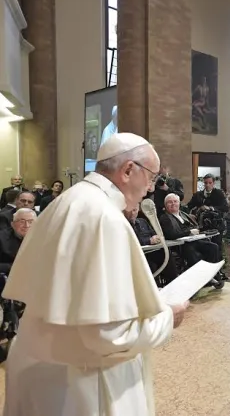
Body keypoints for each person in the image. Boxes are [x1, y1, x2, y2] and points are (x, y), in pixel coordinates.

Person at [2, 132, 189, 416]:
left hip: (39, 363)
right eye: (150, 176)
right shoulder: (103, 217)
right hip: (78, 385)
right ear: (128, 170)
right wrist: (166, 318)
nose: (151, 188)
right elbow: (107, 335)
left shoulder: (69, 200)